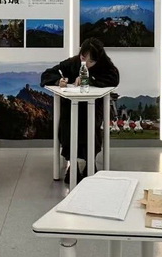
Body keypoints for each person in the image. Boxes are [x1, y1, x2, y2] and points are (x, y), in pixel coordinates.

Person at [40, 38, 119, 183]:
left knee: (90, 126)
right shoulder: (73, 62)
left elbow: (113, 79)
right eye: (83, 58)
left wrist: (90, 80)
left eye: (91, 61)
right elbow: (47, 74)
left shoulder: (105, 65)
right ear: (80, 54)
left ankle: (90, 163)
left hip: (93, 106)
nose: (85, 64)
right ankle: (73, 164)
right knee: (67, 127)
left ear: (98, 59)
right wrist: (59, 81)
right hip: (70, 107)